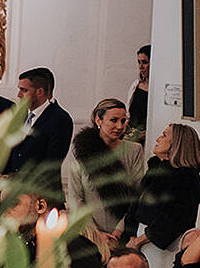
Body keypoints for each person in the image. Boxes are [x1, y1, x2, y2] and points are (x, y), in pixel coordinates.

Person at [122, 121, 200, 268]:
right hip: (141, 240)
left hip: (161, 247)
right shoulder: (156, 169)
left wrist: (139, 241)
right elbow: (135, 206)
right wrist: (131, 236)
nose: (158, 138)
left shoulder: (186, 177)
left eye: (165, 135)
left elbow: (176, 219)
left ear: (177, 144)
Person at [62, 97, 146, 249]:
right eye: (114, 120)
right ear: (98, 120)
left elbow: (137, 195)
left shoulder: (134, 150)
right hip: (88, 233)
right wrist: (95, 233)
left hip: (122, 234)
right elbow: (76, 197)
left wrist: (118, 231)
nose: (120, 126)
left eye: (123, 120)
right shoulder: (81, 151)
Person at [10, 67, 74, 178]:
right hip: (12, 190)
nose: (19, 95)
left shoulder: (61, 119)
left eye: (24, 90)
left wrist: (15, 178)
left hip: (41, 192)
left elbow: (51, 164)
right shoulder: (20, 114)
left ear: (39, 92)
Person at [129, 44, 151, 134]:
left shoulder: (157, 90)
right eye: (139, 62)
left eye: (145, 62)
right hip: (132, 134)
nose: (140, 66)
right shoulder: (136, 85)